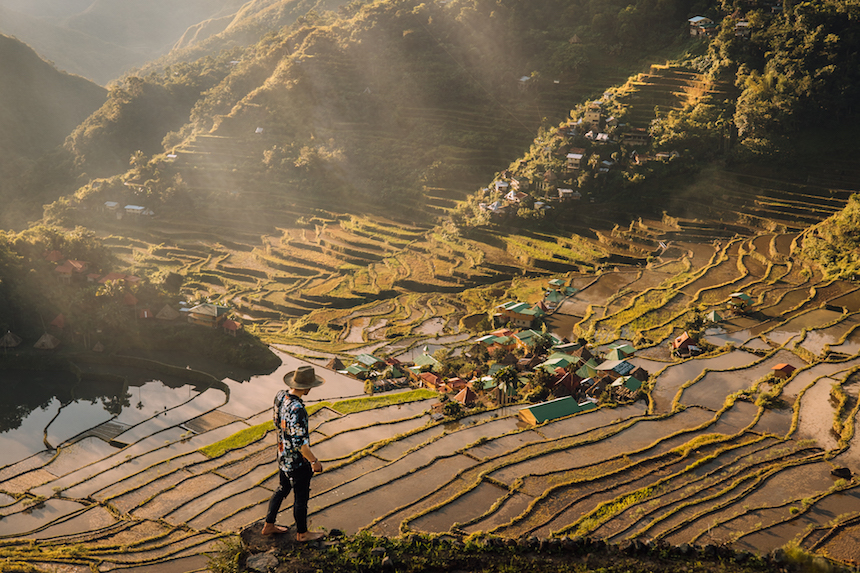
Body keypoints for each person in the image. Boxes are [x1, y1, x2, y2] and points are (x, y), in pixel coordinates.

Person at [262, 365, 326, 541]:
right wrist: (314, 462)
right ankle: (303, 533)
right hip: (297, 461)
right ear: (307, 387)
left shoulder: (280, 396)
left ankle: (268, 525)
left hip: (282, 454)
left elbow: (276, 422)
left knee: (282, 488)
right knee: (301, 497)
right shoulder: (298, 410)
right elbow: (301, 444)